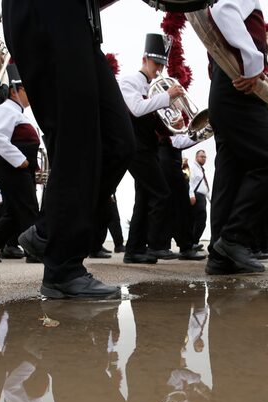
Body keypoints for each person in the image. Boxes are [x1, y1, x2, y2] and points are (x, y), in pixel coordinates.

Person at [2, 0, 135, 298]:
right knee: (76, 136)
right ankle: (62, 269)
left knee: (118, 142)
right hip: (46, 11)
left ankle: (48, 230)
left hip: (79, 17)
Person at [205, 0, 268, 275]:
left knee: (230, 174)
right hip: (239, 90)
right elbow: (224, 11)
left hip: (225, 89)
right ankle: (233, 238)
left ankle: (220, 257)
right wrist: (254, 62)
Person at [119, 33, 187, 264]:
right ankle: (157, 245)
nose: (159, 69)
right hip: (134, 147)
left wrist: (173, 124)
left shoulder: (153, 88)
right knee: (162, 193)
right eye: (156, 63)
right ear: (144, 58)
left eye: (162, 64)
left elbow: (155, 120)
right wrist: (167, 96)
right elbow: (137, 109)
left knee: (144, 197)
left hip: (147, 146)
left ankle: (134, 251)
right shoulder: (129, 82)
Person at [0, 64, 41, 264]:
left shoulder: (17, 111)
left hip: (19, 167)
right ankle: (34, 250)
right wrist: (20, 160)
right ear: (17, 90)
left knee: (15, 210)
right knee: (28, 208)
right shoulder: (4, 107)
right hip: (12, 167)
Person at [189, 149, 210, 248]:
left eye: (205, 157)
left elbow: (204, 187)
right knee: (199, 220)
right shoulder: (193, 167)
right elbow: (190, 182)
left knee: (199, 221)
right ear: (196, 157)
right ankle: (192, 243)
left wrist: (211, 199)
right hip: (196, 196)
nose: (204, 159)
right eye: (202, 156)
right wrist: (191, 195)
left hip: (202, 197)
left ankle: (194, 242)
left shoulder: (201, 169)